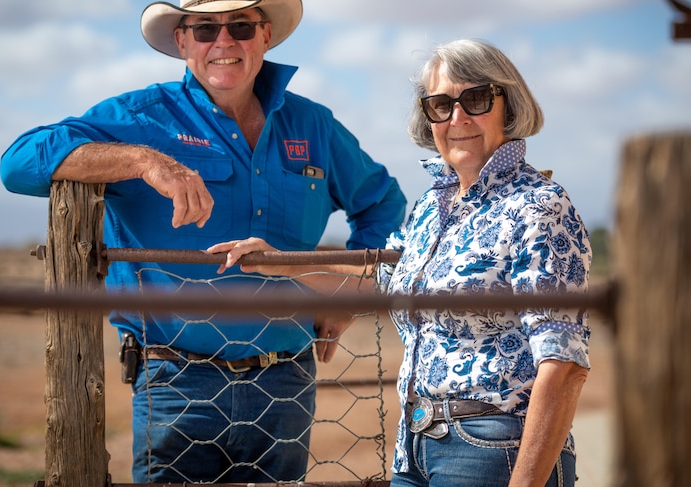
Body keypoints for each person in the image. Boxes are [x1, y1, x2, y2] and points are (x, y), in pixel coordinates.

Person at [0, 0, 406, 484]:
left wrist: (349, 295)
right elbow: (18, 163)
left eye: (240, 26)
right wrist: (144, 160)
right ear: (182, 41)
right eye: (205, 28)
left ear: (264, 36)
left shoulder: (314, 125)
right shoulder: (142, 119)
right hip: (175, 381)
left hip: (285, 380)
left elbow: (383, 205)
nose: (224, 42)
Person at [212, 39, 592, 487]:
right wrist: (281, 263)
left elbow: (563, 366)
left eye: (476, 99)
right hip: (414, 448)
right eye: (440, 104)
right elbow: (377, 279)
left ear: (508, 105)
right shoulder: (434, 205)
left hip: (493, 448)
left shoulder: (539, 206)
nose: (458, 117)